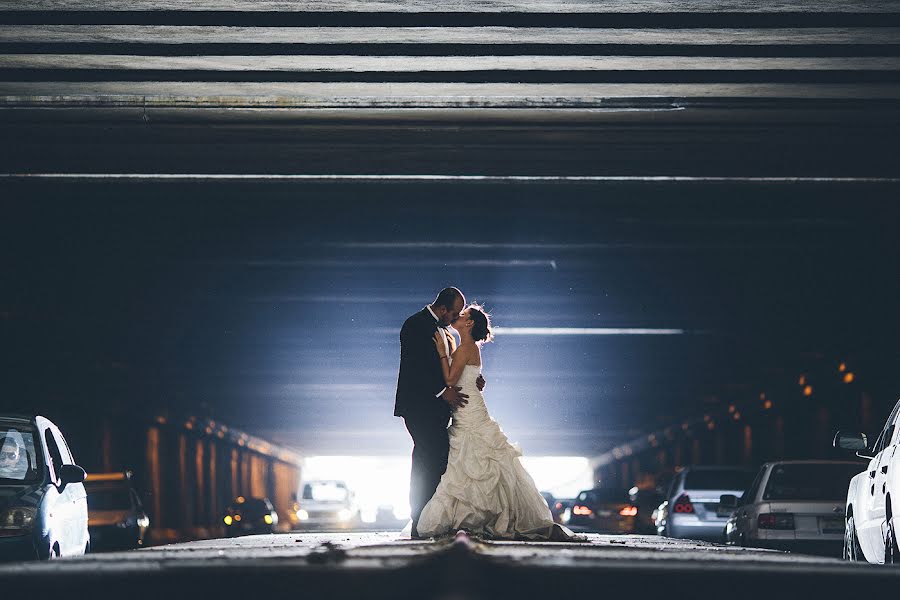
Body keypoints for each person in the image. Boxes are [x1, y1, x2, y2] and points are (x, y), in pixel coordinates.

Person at [416, 304, 578, 541]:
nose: (457, 316)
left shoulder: (464, 348)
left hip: (468, 409)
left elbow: (450, 378)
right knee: (480, 458)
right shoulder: (468, 348)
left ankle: (472, 517)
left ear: (469, 323)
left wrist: (442, 352)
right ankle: (477, 516)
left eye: (462, 315)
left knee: (473, 457)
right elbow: (468, 376)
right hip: (470, 407)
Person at [394, 287, 484, 539]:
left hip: (438, 410)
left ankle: (429, 517)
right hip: (419, 406)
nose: (456, 318)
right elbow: (417, 367)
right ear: (442, 309)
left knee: (434, 459)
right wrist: (441, 392)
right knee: (428, 458)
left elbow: (457, 366)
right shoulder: (415, 325)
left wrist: (472, 378)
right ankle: (419, 519)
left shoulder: (446, 331)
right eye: (454, 313)